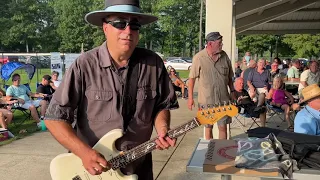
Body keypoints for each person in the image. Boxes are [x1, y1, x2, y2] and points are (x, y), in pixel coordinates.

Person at [44, 0, 179, 179]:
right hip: (94, 172)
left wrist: (162, 128)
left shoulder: (153, 63)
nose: (128, 31)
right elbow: (54, 118)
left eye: (134, 25)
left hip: (138, 167)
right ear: (105, 27)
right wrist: (84, 153)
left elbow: (162, 105)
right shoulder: (84, 65)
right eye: (120, 23)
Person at [188, 32, 235, 140]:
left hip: (223, 100)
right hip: (206, 102)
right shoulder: (199, 58)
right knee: (208, 127)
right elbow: (191, 79)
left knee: (223, 128)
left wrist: (232, 92)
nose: (221, 45)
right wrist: (190, 98)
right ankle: (210, 151)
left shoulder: (224, 56)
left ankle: (221, 153)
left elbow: (229, 77)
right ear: (210, 44)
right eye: (219, 43)